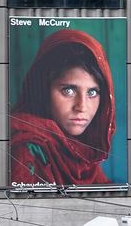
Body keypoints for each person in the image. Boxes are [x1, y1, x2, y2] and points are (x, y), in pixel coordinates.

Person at [10, 29, 116, 187]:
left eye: (92, 92)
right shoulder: (26, 150)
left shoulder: (84, 156)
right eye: (69, 90)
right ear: (43, 90)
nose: (82, 107)